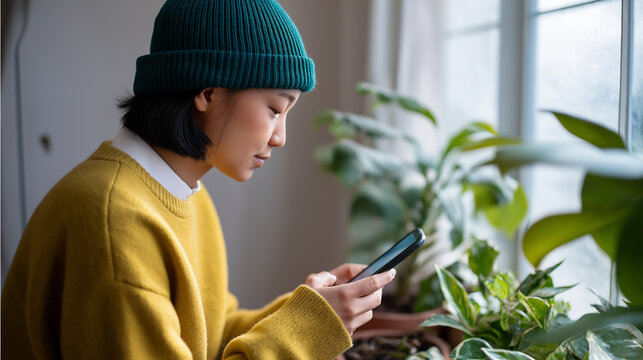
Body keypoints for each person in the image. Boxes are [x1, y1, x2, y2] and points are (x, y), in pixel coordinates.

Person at [1, 0, 395, 359]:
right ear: (208, 93)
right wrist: (307, 332)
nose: (280, 137)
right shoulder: (115, 223)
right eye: (276, 109)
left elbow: (209, 336)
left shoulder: (186, 194)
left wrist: (311, 310)